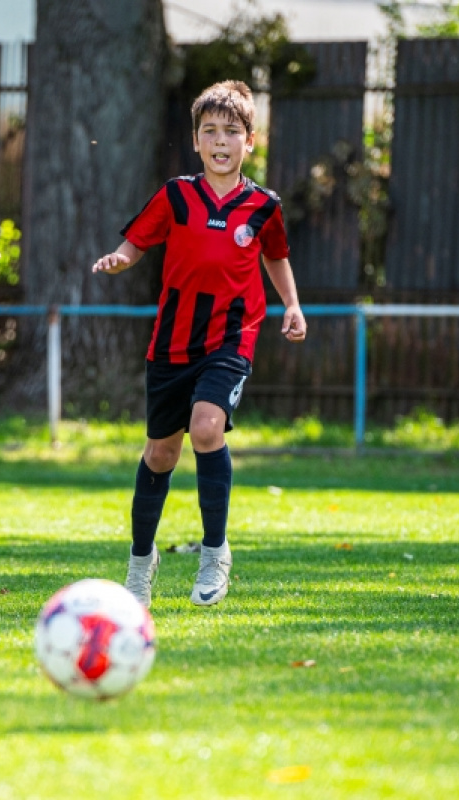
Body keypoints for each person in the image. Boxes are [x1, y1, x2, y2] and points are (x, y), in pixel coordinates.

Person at [92, 80, 307, 609]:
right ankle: (141, 563)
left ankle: (215, 555)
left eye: (231, 131)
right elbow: (137, 241)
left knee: (208, 428)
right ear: (195, 141)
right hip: (171, 342)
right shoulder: (176, 196)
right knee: (161, 453)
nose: (220, 140)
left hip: (232, 338)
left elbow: (275, 256)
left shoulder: (263, 206)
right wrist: (121, 259)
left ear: (249, 142)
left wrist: (292, 305)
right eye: (209, 130)